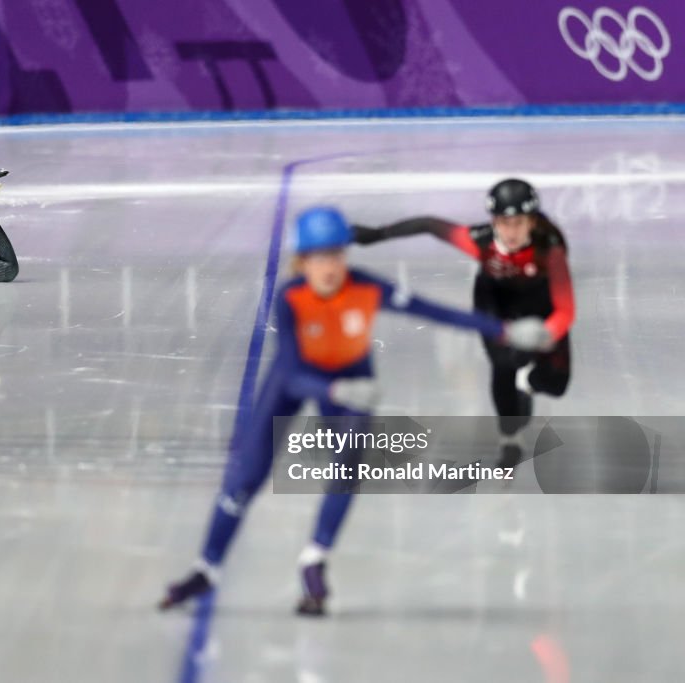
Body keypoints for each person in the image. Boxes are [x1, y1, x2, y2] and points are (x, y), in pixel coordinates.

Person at [159, 206, 552, 616]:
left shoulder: (365, 288)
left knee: (349, 466)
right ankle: (206, 568)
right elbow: (293, 375)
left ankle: (315, 560)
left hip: (350, 379)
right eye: (319, 258)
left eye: (336, 255)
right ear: (302, 262)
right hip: (301, 379)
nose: (329, 267)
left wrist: (504, 330)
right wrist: (337, 388)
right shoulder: (290, 300)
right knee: (246, 477)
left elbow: (433, 311)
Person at [352, 178, 574, 467]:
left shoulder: (551, 247)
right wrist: (376, 235)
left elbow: (566, 309)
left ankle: (526, 383)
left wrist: (545, 333)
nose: (510, 231)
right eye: (503, 222)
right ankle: (509, 438)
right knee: (504, 362)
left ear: (532, 221)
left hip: (538, 302)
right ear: (493, 220)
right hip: (496, 302)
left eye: (518, 222)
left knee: (556, 384)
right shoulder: (481, 240)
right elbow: (430, 225)